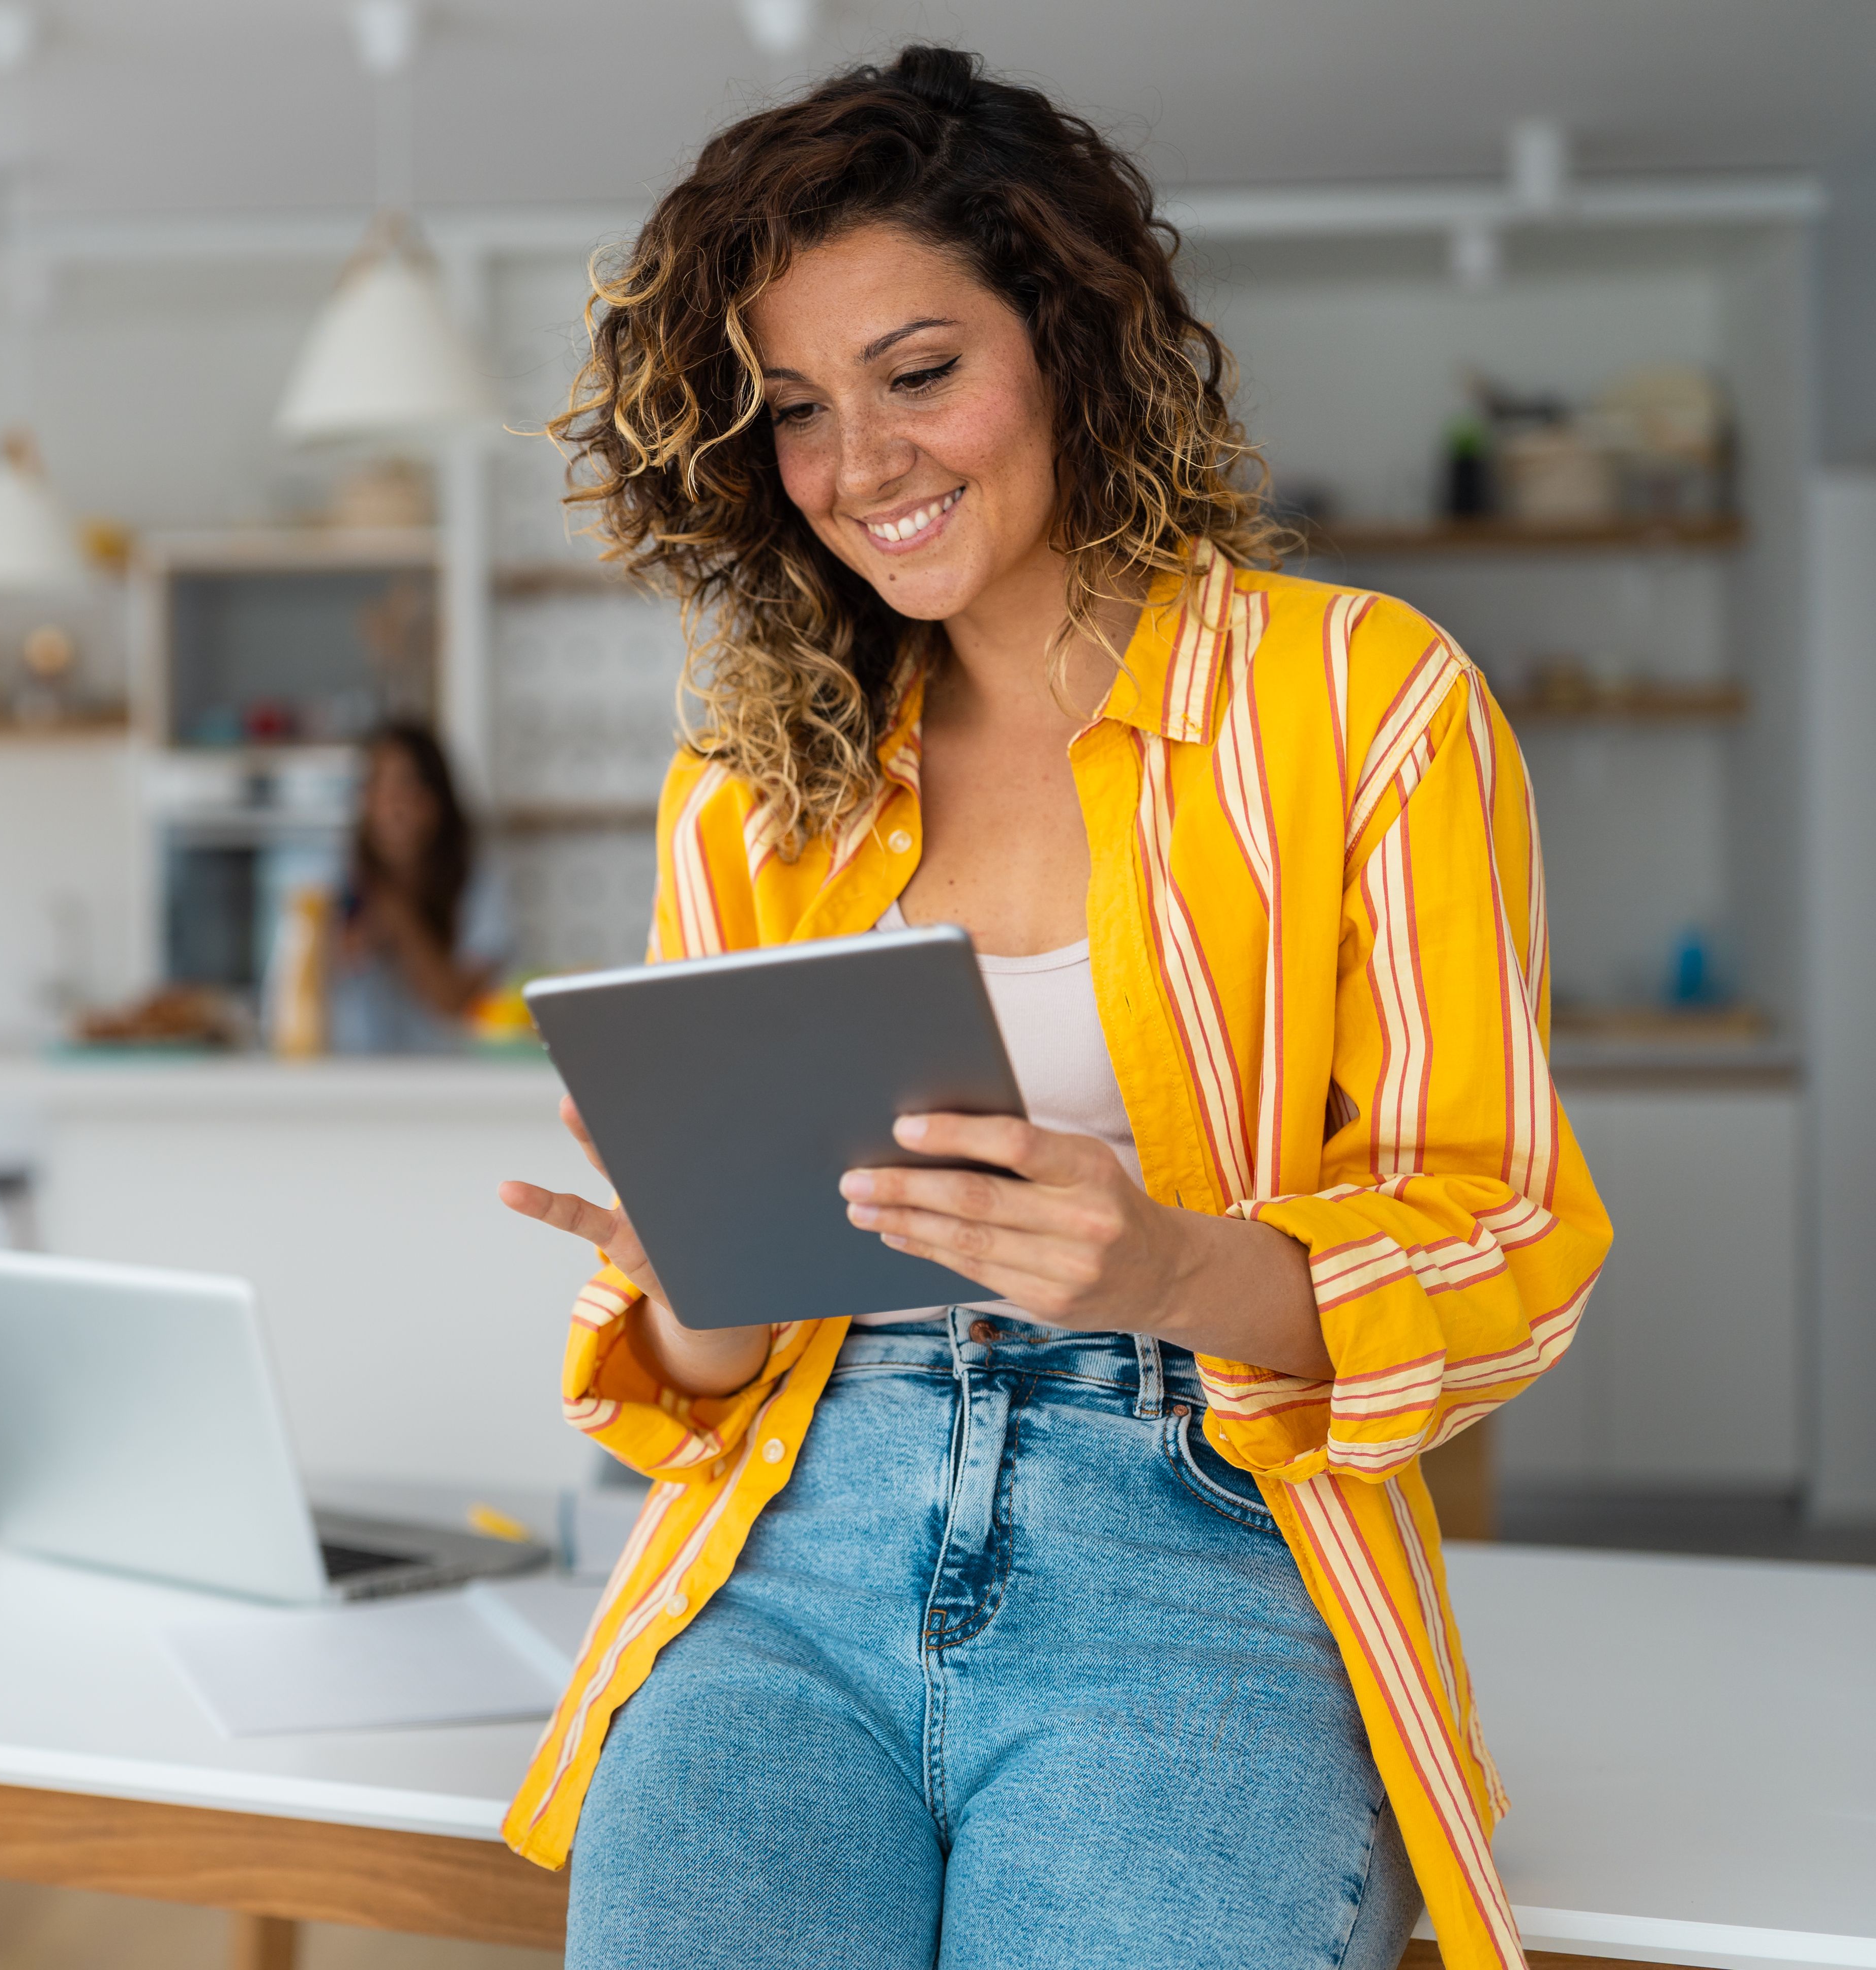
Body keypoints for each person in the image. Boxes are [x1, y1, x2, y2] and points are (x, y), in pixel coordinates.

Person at [491, 46, 1609, 1970]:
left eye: (919, 373)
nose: (863, 465)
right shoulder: (752, 786)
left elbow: (1510, 1233)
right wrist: (691, 1276)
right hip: (798, 1551)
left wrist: (1175, 1272)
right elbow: (710, 1376)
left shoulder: (1366, 704)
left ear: (1069, 341)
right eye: (796, 414)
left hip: (1199, 1553)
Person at [329, 721, 510, 1053]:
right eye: (377, 786)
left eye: (405, 785)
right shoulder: (336, 883)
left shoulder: (477, 883)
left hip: (449, 1078)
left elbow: (455, 1002)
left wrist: (400, 920)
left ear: (435, 800)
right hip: (349, 1075)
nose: (391, 805)